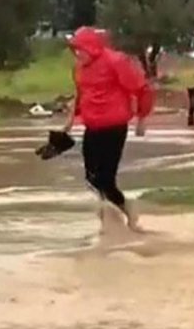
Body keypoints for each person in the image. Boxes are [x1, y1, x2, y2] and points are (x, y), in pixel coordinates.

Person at [63, 27, 154, 232]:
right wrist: (70, 120)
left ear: (92, 48)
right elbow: (80, 94)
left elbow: (142, 88)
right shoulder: (79, 68)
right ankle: (110, 215)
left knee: (105, 179)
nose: (78, 54)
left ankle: (124, 213)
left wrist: (142, 118)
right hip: (92, 127)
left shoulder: (116, 62)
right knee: (91, 178)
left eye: (80, 49)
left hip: (114, 127)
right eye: (75, 50)